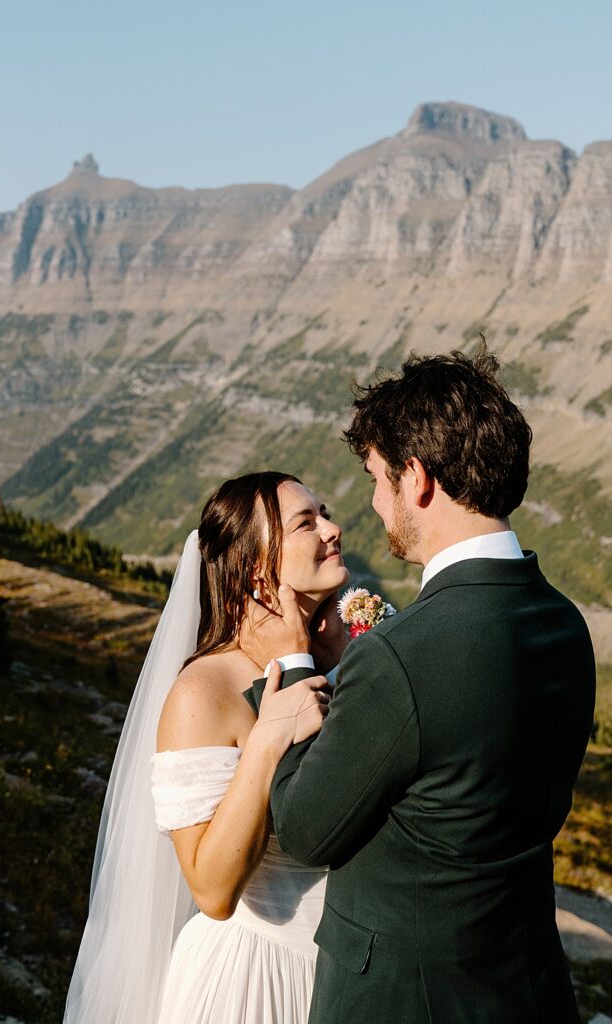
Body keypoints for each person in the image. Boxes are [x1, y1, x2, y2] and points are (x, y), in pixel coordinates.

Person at [243, 347, 596, 1023]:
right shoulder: (562, 623)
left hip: (402, 1000)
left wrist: (290, 666)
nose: (373, 504)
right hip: (523, 988)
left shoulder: (401, 656)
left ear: (417, 477)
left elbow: (306, 829)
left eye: (378, 479)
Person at [63, 471, 349, 1024]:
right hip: (259, 982)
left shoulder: (336, 659)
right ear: (254, 567)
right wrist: (267, 740)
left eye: (324, 513)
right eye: (305, 523)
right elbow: (213, 890)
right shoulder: (205, 691)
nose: (333, 530)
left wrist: (340, 659)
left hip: (349, 974)